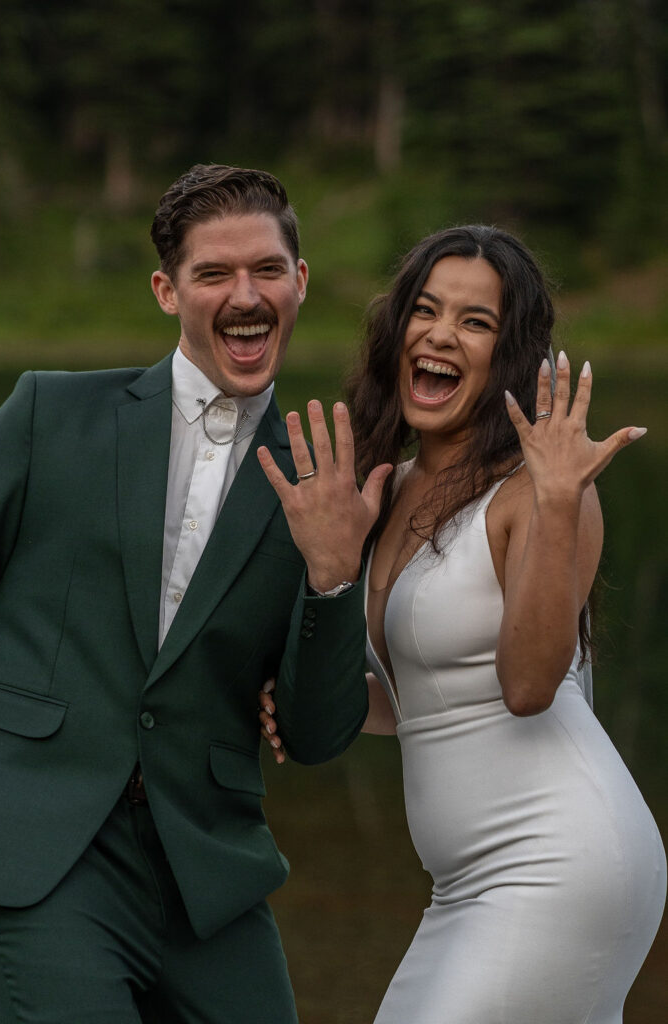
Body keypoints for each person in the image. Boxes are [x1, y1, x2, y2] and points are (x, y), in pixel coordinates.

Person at [0, 163, 392, 1024]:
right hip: (36, 853)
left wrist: (332, 574)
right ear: (169, 291)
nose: (245, 295)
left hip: (208, 871)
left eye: (266, 271)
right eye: (214, 274)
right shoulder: (47, 415)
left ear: (300, 281)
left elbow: (316, 737)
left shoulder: (324, 478)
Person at [259, 225, 667, 1023]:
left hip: (556, 863)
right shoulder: (393, 486)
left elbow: (524, 685)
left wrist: (556, 503)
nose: (440, 333)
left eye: (475, 322)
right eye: (425, 309)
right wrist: (293, 689)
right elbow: (421, 699)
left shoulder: (542, 491)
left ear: (509, 356)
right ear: (396, 330)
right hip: (462, 884)